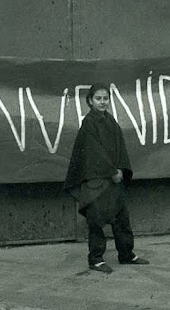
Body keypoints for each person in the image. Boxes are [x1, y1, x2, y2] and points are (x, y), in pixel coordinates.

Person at [64, 83, 149, 274]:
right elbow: (94, 153)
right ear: (90, 101)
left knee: (121, 218)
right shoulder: (89, 123)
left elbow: (120, 148)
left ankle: (126, 254)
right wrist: (112, 171)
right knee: (96, 221)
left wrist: (120, 170)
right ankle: (95, 259)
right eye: (98, 99)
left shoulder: (111, 121)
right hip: (96, 182)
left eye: (105, 98)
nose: (102, 102)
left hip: (113, 180)